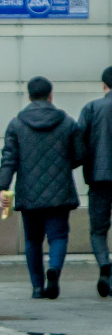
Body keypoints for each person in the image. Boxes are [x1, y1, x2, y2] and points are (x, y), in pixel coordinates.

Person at [0, 76, 82, 300]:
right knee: (58, 236)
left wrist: (3, 187)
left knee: (32, 240)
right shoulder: (67, 123)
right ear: (51, 95)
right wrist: (64, 166)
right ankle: (53, 269)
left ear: (29, 96)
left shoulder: (16, 124)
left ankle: (37, 286)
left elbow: (9, 159)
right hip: (60, 191)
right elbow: (80, 155)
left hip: (29, 192)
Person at [76, 66, 112, 298]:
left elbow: (79, 142)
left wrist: (84, 163)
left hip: (99, 179)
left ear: (103, 84)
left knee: (98, 230)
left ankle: (104, 266)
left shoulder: (91, 108)